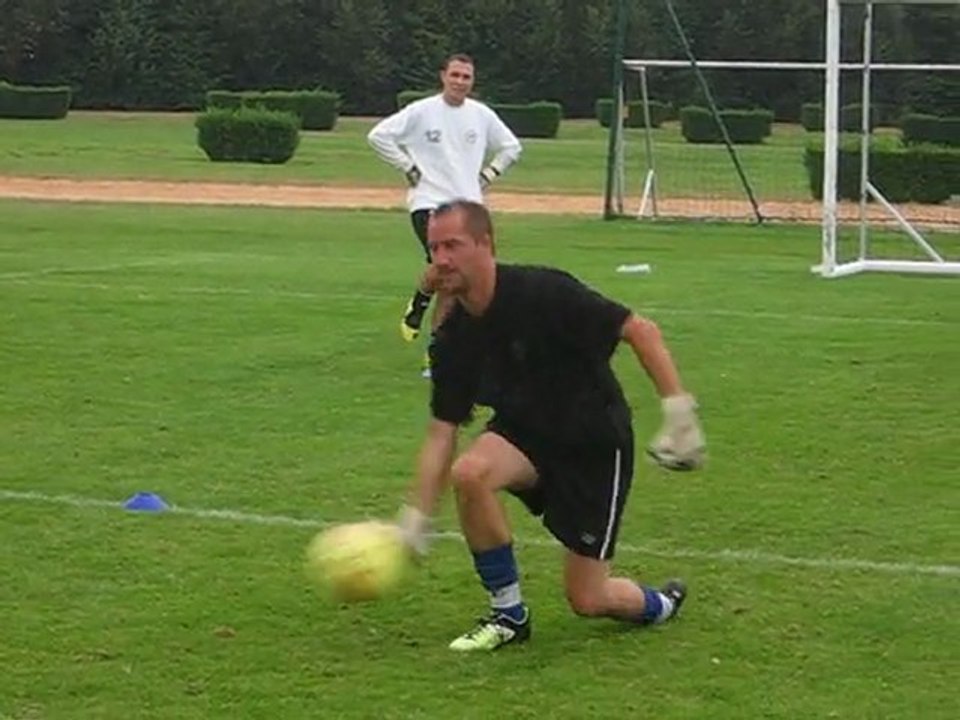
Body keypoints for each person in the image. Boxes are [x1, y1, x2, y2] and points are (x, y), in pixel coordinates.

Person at [396, 200, 706, 652]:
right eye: (434, 247)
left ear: (486, 244)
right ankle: (508, 616)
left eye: (453, 245)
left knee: (588, 598)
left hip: (592, 443)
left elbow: (640, 330)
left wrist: (679, 413)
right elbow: (442, 432)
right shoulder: (453, 338)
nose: (440, 259)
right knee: (470, 473)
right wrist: (418, 515)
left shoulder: (543, 292)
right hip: (524, 434)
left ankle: (660, 604)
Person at [367, 54, 522, 375]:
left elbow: (512, 147)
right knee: (449, 273)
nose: (460, 82)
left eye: (466, 77)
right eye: (455, 75)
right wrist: (407, 166)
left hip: (469, 208)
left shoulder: (481, 114)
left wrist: (489, 174)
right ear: (443, 76)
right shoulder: (422, 111)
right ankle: (432, 335)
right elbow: (378, 135)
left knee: (461, 281)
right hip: (429, 203)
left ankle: (432, 330)